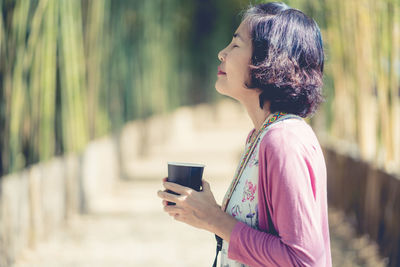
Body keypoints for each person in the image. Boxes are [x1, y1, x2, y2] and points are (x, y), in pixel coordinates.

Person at [157, 2, 332, 266]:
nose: (221, 53)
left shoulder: (283, 141)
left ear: (268, 59)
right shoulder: (260, 135)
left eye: (236, 45)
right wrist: (207, 215)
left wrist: (216, 219)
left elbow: (302, 260)